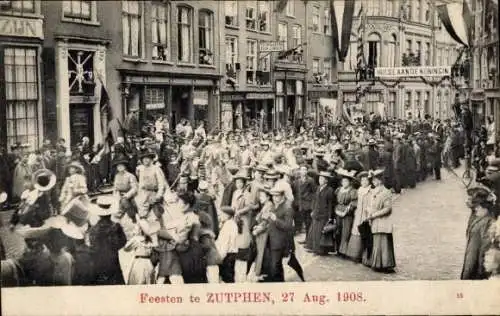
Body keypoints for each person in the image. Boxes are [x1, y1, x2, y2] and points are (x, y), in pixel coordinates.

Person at [88, 196, 127, 285]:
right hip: (113, 260)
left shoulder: (94, 229)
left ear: (99, 214)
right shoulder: (116, 227)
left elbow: (92, 244)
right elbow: (123, 241)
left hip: (99, 262)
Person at [260, 183, 294, 282]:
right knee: (274, 266)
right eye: (273, 196)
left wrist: (275, 220)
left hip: (279, 242)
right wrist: (264, 224)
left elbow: (288, 226)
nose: (275, 198)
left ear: (282, 196)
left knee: (275, 266)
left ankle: (277, 284)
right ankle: (278, 282)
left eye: (277, 196)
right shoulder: (275, 205)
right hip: (271, 239)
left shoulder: (288, 208)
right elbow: (270, 220)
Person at [461, 187, 496, 280]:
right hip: (472, 264)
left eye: (478, 206)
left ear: (485, 207)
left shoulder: (488, 223)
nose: (475, 209)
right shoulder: (480, 219)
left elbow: (484, 249)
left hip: (475, 269)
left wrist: (480, 271)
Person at [365, 169, 396, 272]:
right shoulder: (374, 192)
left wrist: (374, 215)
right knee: (377, 242)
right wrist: (369, 211)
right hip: (375, 221)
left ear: (379, 180)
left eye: (374, 179)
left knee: (383, 242)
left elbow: (387, 209)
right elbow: (371, 205)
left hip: (383, 221)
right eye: (372, 180)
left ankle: (386, 264)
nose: (372, 181)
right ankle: (377, 263)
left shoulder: (386, 192)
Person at [306, 171, 335, 255]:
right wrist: (313, 210)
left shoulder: (329, 190)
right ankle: (315, 249)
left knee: (321, 233)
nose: (320, 180)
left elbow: (330, 204)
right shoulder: (318, 188)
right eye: (319, 178)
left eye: (322, 179)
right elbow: (315, 200)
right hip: (316, 213)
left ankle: (320, 250)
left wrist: (329, 217)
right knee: (315, 232)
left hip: (324, 214)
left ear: (326, 180)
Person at [346, 171, 371, 262]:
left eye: (366, 180)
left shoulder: (370, 190)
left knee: (364, 232)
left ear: (369, 181)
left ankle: (363, 256)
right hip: (358, 213)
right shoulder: (359, 190)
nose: (364, 182)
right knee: (356, 231)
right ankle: (354, 254)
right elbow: (356, 201)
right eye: (362, 180)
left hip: (365, 214)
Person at [135, 148, 166, 219]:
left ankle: (162, 227)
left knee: (158, 214)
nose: (145, 160)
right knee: (142, 215)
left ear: (151, 159)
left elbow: (161, 184)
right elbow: (141, 183)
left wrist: (158, 195)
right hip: (144, 194)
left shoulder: (156, 169)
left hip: (154, 193)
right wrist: (140, 194)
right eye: (144, 158)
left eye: (147, 158)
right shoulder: (141, 169)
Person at [335, 169, 358, 257]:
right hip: (338, 211)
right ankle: (337, 250)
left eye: (346, 181)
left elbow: (353, 202)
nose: (344, 183)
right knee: (338, 231)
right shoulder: (338, 190)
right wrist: (336, 210)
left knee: (346, 231)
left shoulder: (352, 191)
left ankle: (344, 251)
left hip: (347, 214)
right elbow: (335, 201)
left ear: (349, 182)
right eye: (343, 181)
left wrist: (347, 211)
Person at [112, 155, 139, 223]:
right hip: (120, 196)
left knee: (126, 203)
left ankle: (134, 218)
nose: (120, 167)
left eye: (121, 166)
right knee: (120, 204)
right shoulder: (117, 176)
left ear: (125, 166)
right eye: (118, 166)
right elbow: (115, 188)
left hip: (131, 196)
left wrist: (127, 195)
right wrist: (116, 195)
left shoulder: (130, 176)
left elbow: (135, 188)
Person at [292, 165, 316, 239]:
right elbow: (295, 192)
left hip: (308, 205)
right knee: (301, 221)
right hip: (300, 205)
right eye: (302, 169)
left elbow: (314, 192)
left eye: (305, 170)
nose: (304, 171)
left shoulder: (310, 180)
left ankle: (308, 240)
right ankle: (305, 238)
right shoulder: (297, 181)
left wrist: (312, 203)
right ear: (300, 171)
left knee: (308, 223)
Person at [216, 206, 239, 283]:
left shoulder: (228, 225)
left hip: (227, 254)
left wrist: (221, 257)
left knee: (226, 277)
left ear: (227, 215)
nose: (219, 216)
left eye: (221, 214)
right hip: (232, 253)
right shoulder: (232, 224)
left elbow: (225, 243)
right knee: (229, 276)